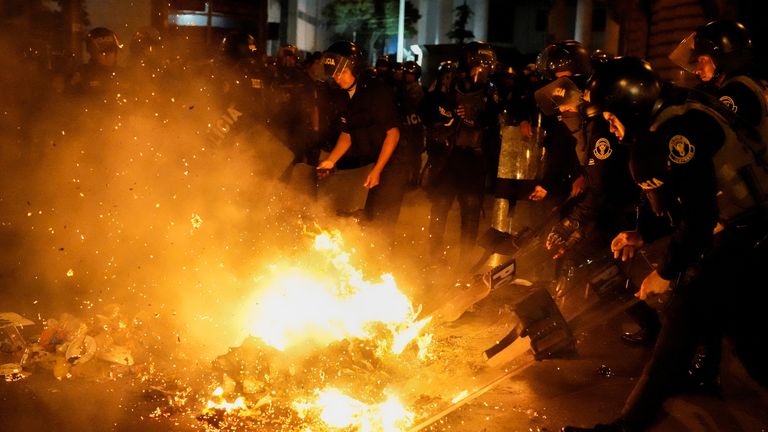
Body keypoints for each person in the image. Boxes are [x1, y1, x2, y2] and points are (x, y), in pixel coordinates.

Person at [562, 56, 768, 432]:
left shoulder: (672, 136)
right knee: (745, 340)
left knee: (685, 322)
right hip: (746, 232)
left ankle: (627, 426)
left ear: (630, 106)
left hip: (745, 235)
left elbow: (702, 217)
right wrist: (644, 235)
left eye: (611, 117)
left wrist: (665, 273)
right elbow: (692, 205)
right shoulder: (674, 115)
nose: (610, 126)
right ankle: (635, 420)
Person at [316, 41, 409, 234]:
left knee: (382, 220)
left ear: (354, 68)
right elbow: (347, 133)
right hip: (374, 162)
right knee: (368, 217)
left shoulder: (377, 91)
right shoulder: (342, 96)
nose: (336, 77)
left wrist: (378, 170)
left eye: (340, 72)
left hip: (394, 162)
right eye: (333, 73)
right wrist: (331, 160)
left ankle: (385, 259)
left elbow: (393, 134)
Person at [420, 41, 500, 264]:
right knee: (440, 205)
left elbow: (492, 120)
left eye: (486, 65)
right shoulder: (448, 80)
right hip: (448, 154)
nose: (482, 69)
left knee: (471, 209)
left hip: (473, 158)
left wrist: (474, 118)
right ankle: (433, 254)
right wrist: (447, 116)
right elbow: (429, 108)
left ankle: (465, 259)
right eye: (480, 64)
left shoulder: (490, 88)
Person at [68, 27, 124, 96]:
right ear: (92, 53)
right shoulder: (82, 74)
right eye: (102, 52)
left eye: (111, 50)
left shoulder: (124, 75)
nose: (107, 54)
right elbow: (70, 100)